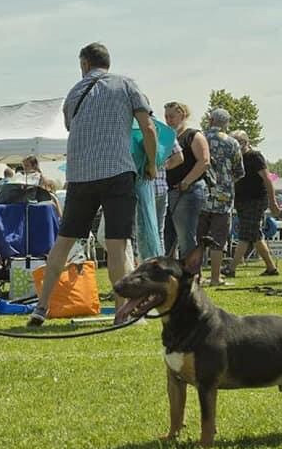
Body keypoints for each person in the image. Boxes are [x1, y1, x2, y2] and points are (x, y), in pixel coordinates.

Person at [28, 42, 156, 326]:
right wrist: (151, 163)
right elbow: (148, 128)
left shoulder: (75, 92)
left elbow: (70, 126)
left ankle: (41, 306)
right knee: (116, 245)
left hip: (80, 174)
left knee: (63, 242)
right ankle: (123, 313)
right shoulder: (127, 84)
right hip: (117, 171)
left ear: (85, 64)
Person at [197, 109, 243, 285]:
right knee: (219, 238)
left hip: (200, 194)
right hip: (223, 197)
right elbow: (239, 171)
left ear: (210, 120)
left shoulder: (199, 138)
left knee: (198, 238)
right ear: (227, 123)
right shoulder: (232, 142)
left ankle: (197, 277)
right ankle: (216, 277)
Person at [227, 130, 280, 278]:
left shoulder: (254, 156)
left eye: (237, 143)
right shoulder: (235, 158)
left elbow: (267, 179)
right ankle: (271, 267)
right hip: (241, 201)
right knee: (255, 234)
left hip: (256, 199)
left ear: (245, 142)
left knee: (245, 233)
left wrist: (273, 202)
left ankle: (231, 268)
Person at [163, 101, 210, 258]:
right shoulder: (168, 138)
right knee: (168, 236)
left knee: (186, 237)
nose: (168, 120)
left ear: (182, 115)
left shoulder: (193, 135)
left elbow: (204, 161)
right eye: (166, 117)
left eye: (172, 116)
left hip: (188, 190)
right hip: (170, 191)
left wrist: (186, 181)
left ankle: (191, 270)